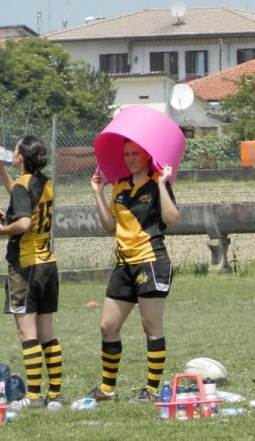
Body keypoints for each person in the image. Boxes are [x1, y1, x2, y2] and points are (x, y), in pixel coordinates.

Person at [89, 138, 180, 403]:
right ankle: (107, 389)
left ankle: (151, 390)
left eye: (135, 154)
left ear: (147, 156)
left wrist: (164, 184)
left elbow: (172, 219)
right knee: (108, 326)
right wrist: (98, 193)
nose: (130, 158)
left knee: (150, 325)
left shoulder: (156, 182)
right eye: (127, 154)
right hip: (123, 264)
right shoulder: (119, 185)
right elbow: (110, 227)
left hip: (150, 261)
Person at [0, 136, 63, 410]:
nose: (12, 151)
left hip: (25, 266)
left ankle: (32, 397)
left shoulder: (24, 187)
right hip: (47, 264)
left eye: (15, 149)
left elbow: (23, 222)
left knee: (27, 333)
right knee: (47, 332)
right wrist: (1, 168)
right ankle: (54, 395)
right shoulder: (45, 183)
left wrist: (0, 230)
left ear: (20, 157)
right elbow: (20, 193)